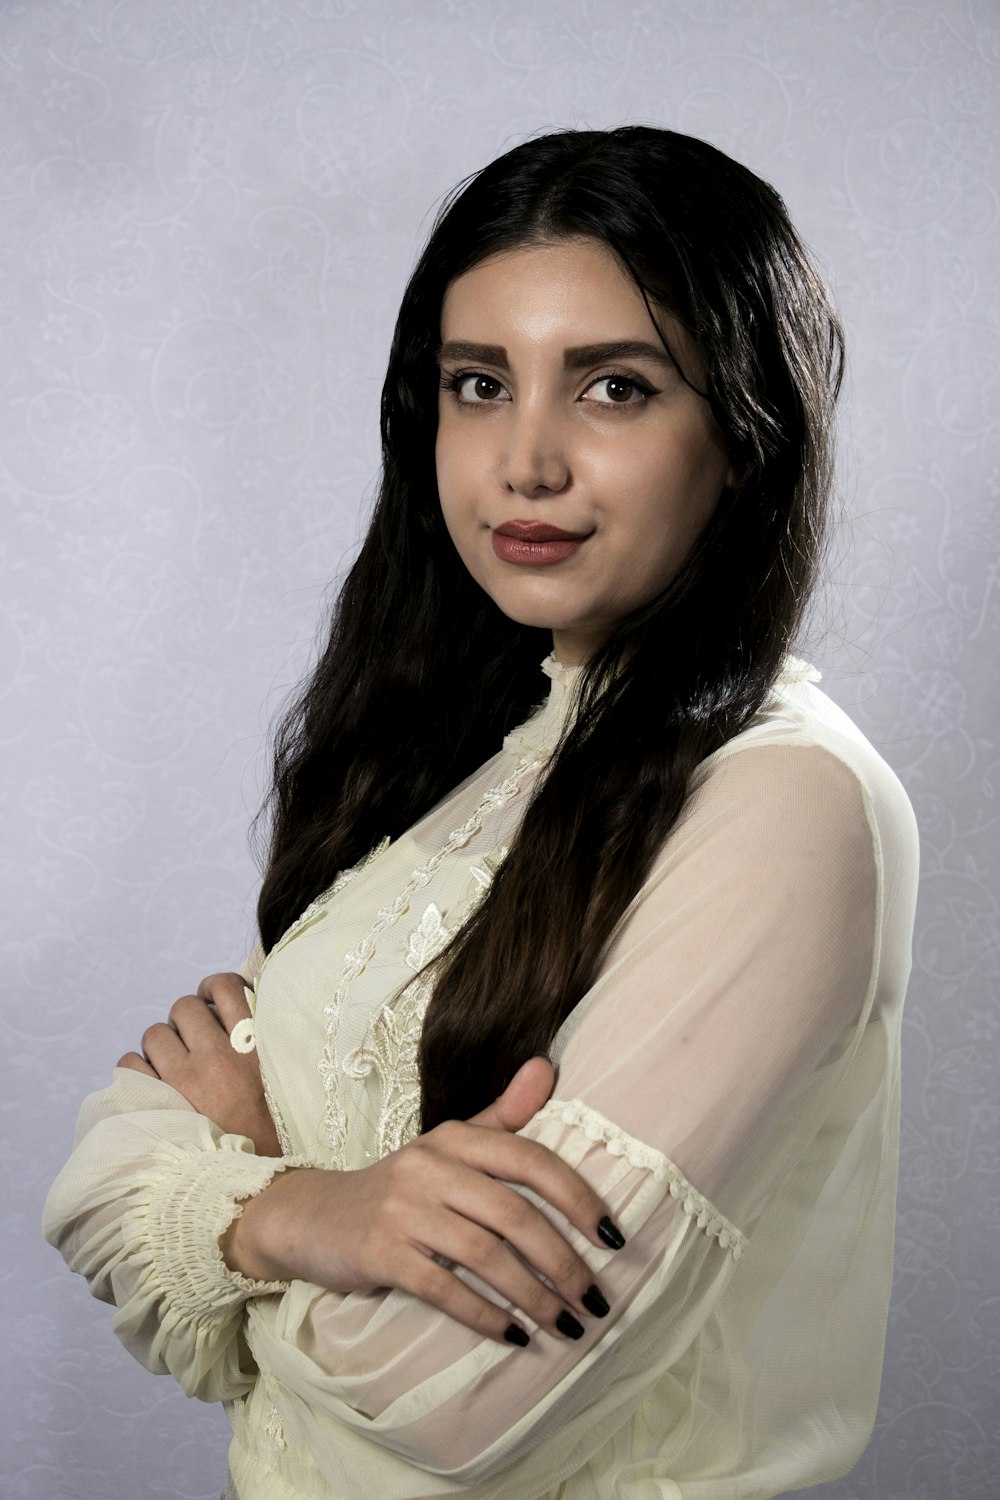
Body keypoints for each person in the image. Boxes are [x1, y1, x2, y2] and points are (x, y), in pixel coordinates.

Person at [43, 126, 919, 1499]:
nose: (525, 462)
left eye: (614, 388)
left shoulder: (786, 804)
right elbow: (94, 1180)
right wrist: (317, 1214)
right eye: (476, 384)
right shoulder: (470, 754)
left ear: (746, 435)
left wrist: (257, 1187)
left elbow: (456, 1397)